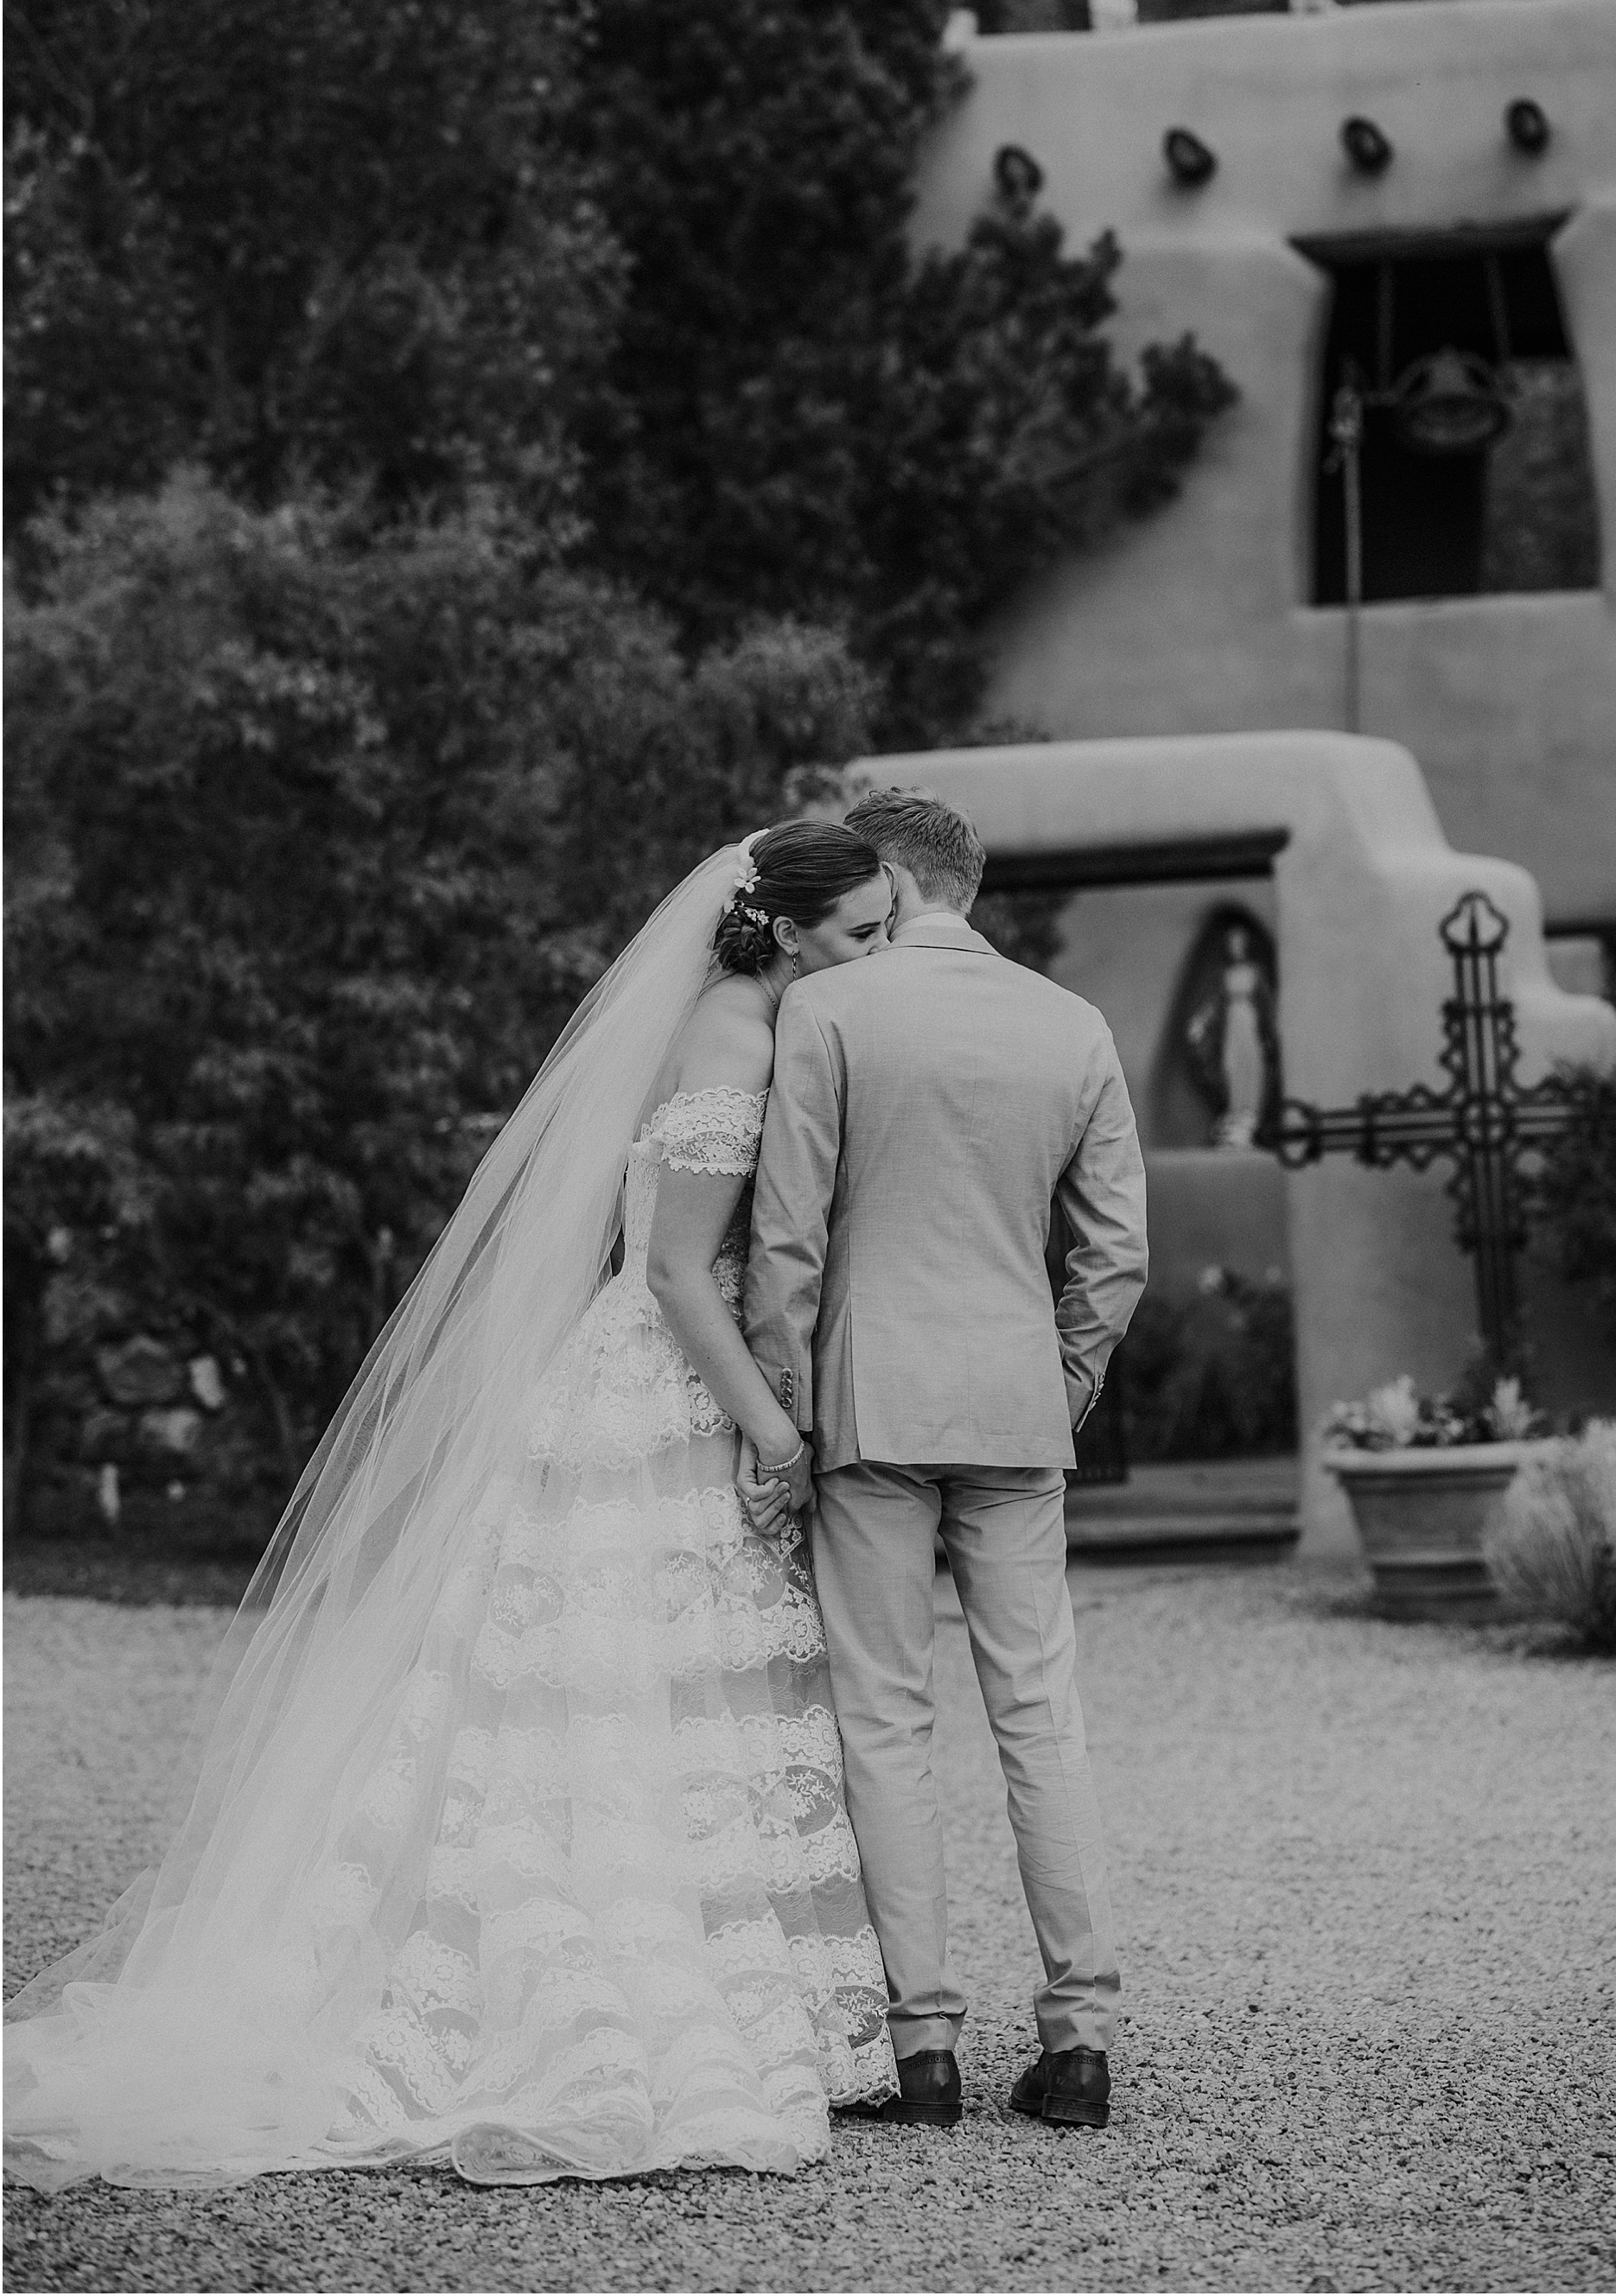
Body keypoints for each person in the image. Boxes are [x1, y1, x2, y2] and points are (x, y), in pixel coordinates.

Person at [5, 823, 900, 2194]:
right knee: (616, 1687)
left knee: (633, 1686)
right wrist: (773, 1422)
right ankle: (589, 1982)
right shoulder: (736, 1037)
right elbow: (671, 1268)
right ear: (784, 932)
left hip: (653, 1373)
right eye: (860, 934)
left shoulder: (741, 1015)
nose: (876, 958)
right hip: (664, 1390)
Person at [745, 789, 1148, 2134]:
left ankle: (919, 2053)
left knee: (884, 1716)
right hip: (1017, 1408)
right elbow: (1114, 1254)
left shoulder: (830, 1012)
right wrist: (1062, 1382)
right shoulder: (1073, 1023)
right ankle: (1079, 2042)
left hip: (868, 1410)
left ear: (893, 885)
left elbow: (787, 1241)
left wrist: (784, 1412)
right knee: (1043, 1711)